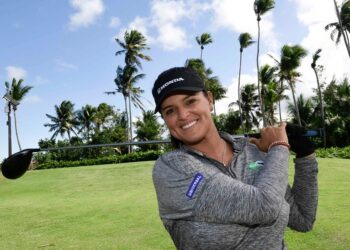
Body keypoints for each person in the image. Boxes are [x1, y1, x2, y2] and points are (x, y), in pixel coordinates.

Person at [151, 67, 318, 250]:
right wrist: (279, 147)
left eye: (190, 101)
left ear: (209, 99)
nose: (183, 115)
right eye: (170, 111)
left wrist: (306, 156)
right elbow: (265, 206)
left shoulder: (253, 150)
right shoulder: (172, 168)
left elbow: (302, 220)